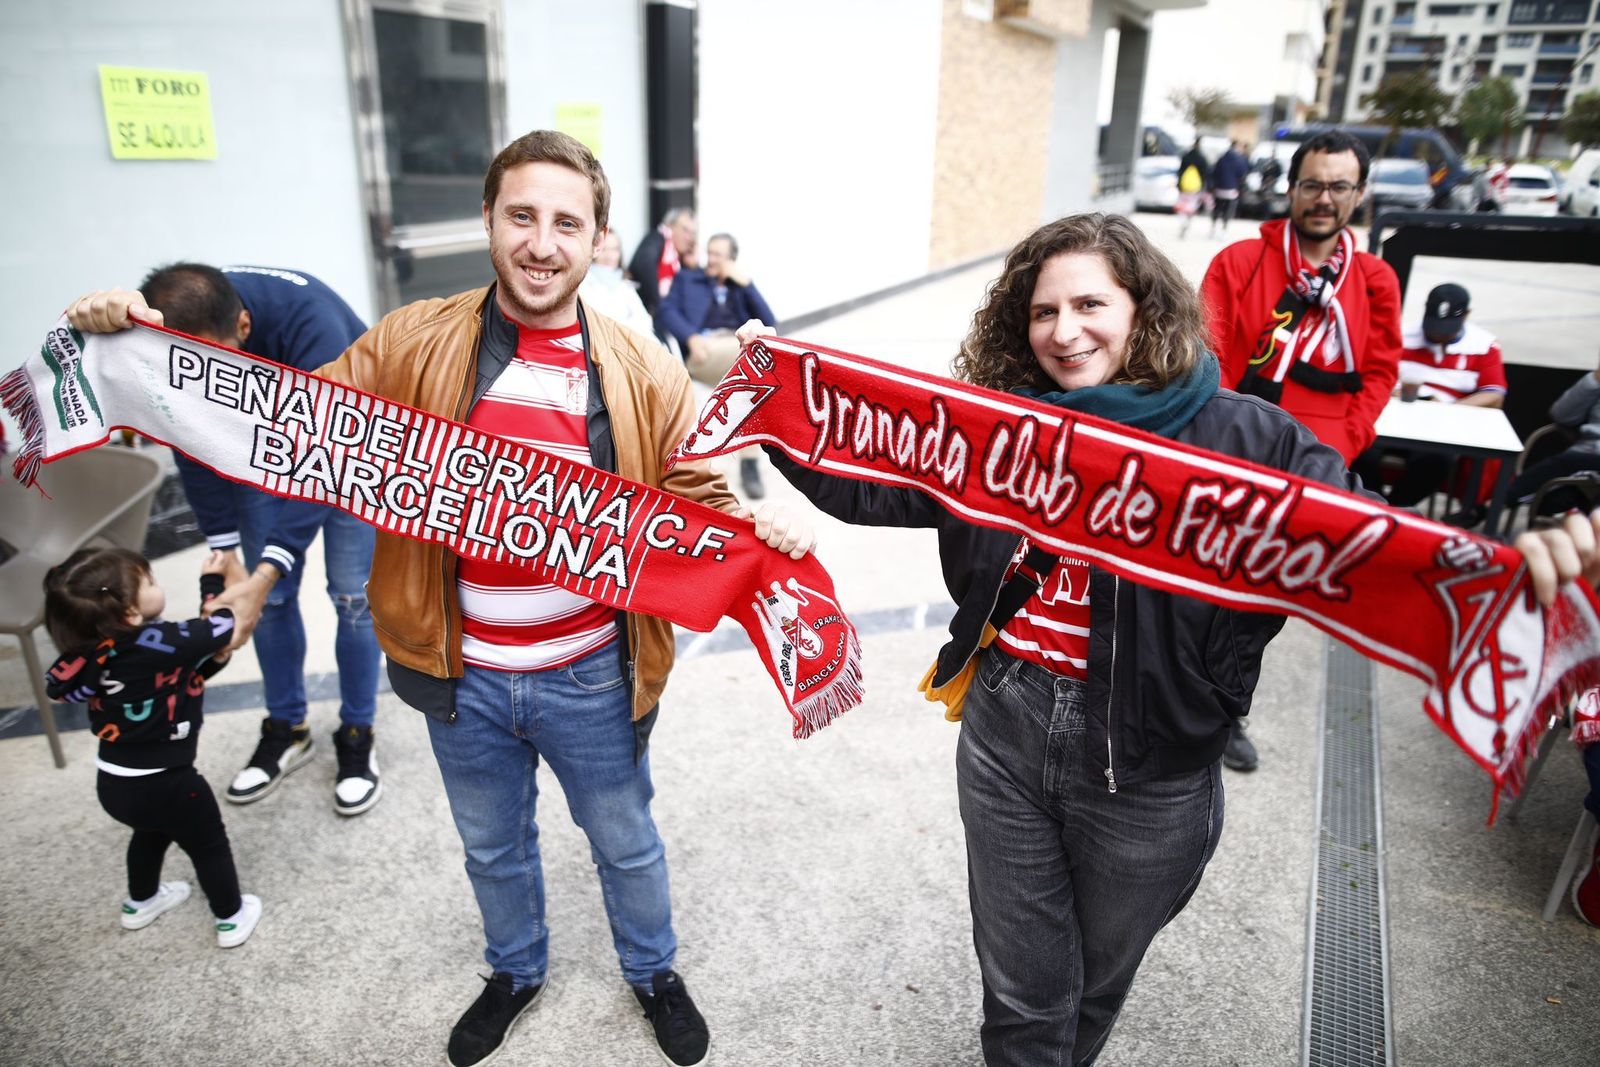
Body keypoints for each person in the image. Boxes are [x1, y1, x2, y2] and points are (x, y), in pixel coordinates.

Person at [65, 129, 815, 1067]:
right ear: (488, 219)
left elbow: (694, 488)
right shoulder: (408, 339)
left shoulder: (643, 367)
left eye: (567, 223)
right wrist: (139, 343)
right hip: (460, 673)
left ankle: (653, 970)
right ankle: (515, 969)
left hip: (593, 671)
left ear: (598, 238)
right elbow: (275, 422)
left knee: (625, 842)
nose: (541, 242)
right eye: (522, 216)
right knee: (492, 847)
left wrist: (756, 525)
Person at [742, 212, 1375, 1064]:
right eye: (1044, 311)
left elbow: (1364, 543)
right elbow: (873, 481)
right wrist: (777, 396)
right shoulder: (993, 426)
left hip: (1151, 764)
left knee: (1093, 985)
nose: (1065, 331)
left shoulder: (1247, 438)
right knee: (1023, 997)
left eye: (1089, 304)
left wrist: (1518, 567)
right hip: (1006, 730)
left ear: (1143, 306)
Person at [135, 263, 383, 816]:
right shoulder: (177, 341)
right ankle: (287, 726)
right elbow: (192, 437)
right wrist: (222, 548)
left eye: (215, 360)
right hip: (260, 445)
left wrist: (268, 566)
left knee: (353, 599)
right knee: (266, 604)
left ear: (243, 326)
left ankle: (357, 731)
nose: (202, 374)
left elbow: (328, 458)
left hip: (352, 444)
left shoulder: (313, 325)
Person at [42, 546, 263, 948]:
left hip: (114, 782)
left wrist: (215, 655)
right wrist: (212, 582)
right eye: (149, 581)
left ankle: (140, 902)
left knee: (150, 832)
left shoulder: (94, 650)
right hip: (171, 782)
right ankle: (231, 916)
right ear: (130, 612)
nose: (156, 583)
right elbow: (223, 626)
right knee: (209, 845)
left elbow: (186, 673)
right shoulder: (158, 640)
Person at [1201, 129, 1401, 467]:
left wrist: (1348, 439)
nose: (1324, 199)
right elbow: (1208, 355)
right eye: (1312, 185)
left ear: (1359, 194)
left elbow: (1380, 373)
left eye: (1339, 187)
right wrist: (1229, 432)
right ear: (1292, 189)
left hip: (1326, 458)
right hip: (1235, 443)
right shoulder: (1239, 262)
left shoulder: (1375, 279)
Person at [1352, 282, 1507, 508]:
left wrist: (1447, 409)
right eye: (1433, 327)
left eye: (1447, 329)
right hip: (1392, 419)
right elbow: (1372, 375)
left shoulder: (1484, 345)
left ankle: (1396, 510)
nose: (1438, 334)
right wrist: (1388, 390)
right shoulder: (1400, 334)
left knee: (1437, 461)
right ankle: (1375, 505)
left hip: (1443, 426)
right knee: (1361, 450)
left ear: (1466, 315)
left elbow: (1494, 395)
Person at [657, 232, 779, 499]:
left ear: (731, 260)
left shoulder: (739, 286)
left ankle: (748, 463)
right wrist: (690, 337)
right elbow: (666, 311)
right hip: (704, 350)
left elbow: (770, 321)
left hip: (735, 347)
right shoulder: (688, 279)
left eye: (718, 255)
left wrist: (747, 285)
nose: (711, 259)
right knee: (755, 368)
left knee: (750, 381)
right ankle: (750, 466)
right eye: (709, 253)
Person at [627, 206, 698, 339]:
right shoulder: (657, 238)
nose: (689, 238)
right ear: (670, 226)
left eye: (693, 233)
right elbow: (644, 264)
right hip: (647, 319)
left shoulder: (682, 261)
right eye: (685, 230)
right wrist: (659, 305)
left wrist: (693, 268)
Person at [578, 229, 657, 340]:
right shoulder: (583, 285)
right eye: (604, 249)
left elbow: (645, 321)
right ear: (594, 251)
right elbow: (603, 325)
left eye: (614, 249)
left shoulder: (625, 284)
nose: (610, 256)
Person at [1209, 141, 1250, 236]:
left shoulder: (1221, 158)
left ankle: (1213, 227)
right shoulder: (1239, 159)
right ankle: (1224, 228)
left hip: (1219, 188)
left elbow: (1214, 172)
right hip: (1231, 189)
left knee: (1217, 208)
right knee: (1228, 209)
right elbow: (1242, 174)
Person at [1177, 138, 1211, 240]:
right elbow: (1205, 174)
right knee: (1192, 205)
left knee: (1183, 204)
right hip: (1196, 186)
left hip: (1184, 185)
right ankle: (1188, 220)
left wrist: (1179, 184)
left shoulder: (1186, 156)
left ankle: (1183, 220)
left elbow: (1180, 171)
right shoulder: (1202, 158)